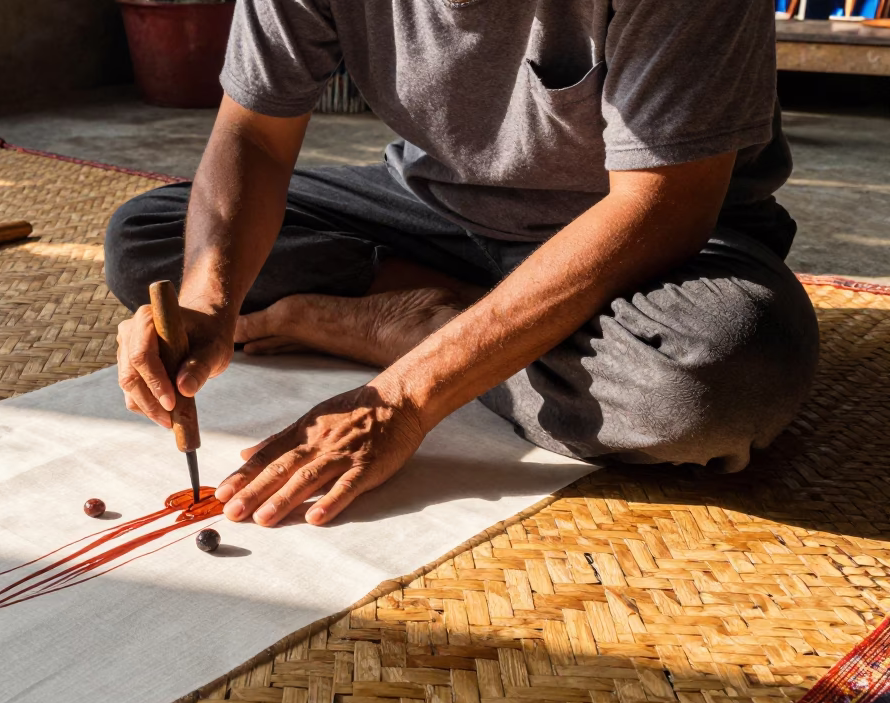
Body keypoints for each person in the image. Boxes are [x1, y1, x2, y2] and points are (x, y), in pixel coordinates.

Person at [105, 0, 820, 528]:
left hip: (656, 239)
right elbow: (253, 139)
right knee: (151, 237)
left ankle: (418, 330)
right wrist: (207, 298)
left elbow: (661, 209)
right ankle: (472, 325)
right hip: (439, 210)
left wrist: (408, 397)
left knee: (714, 379)